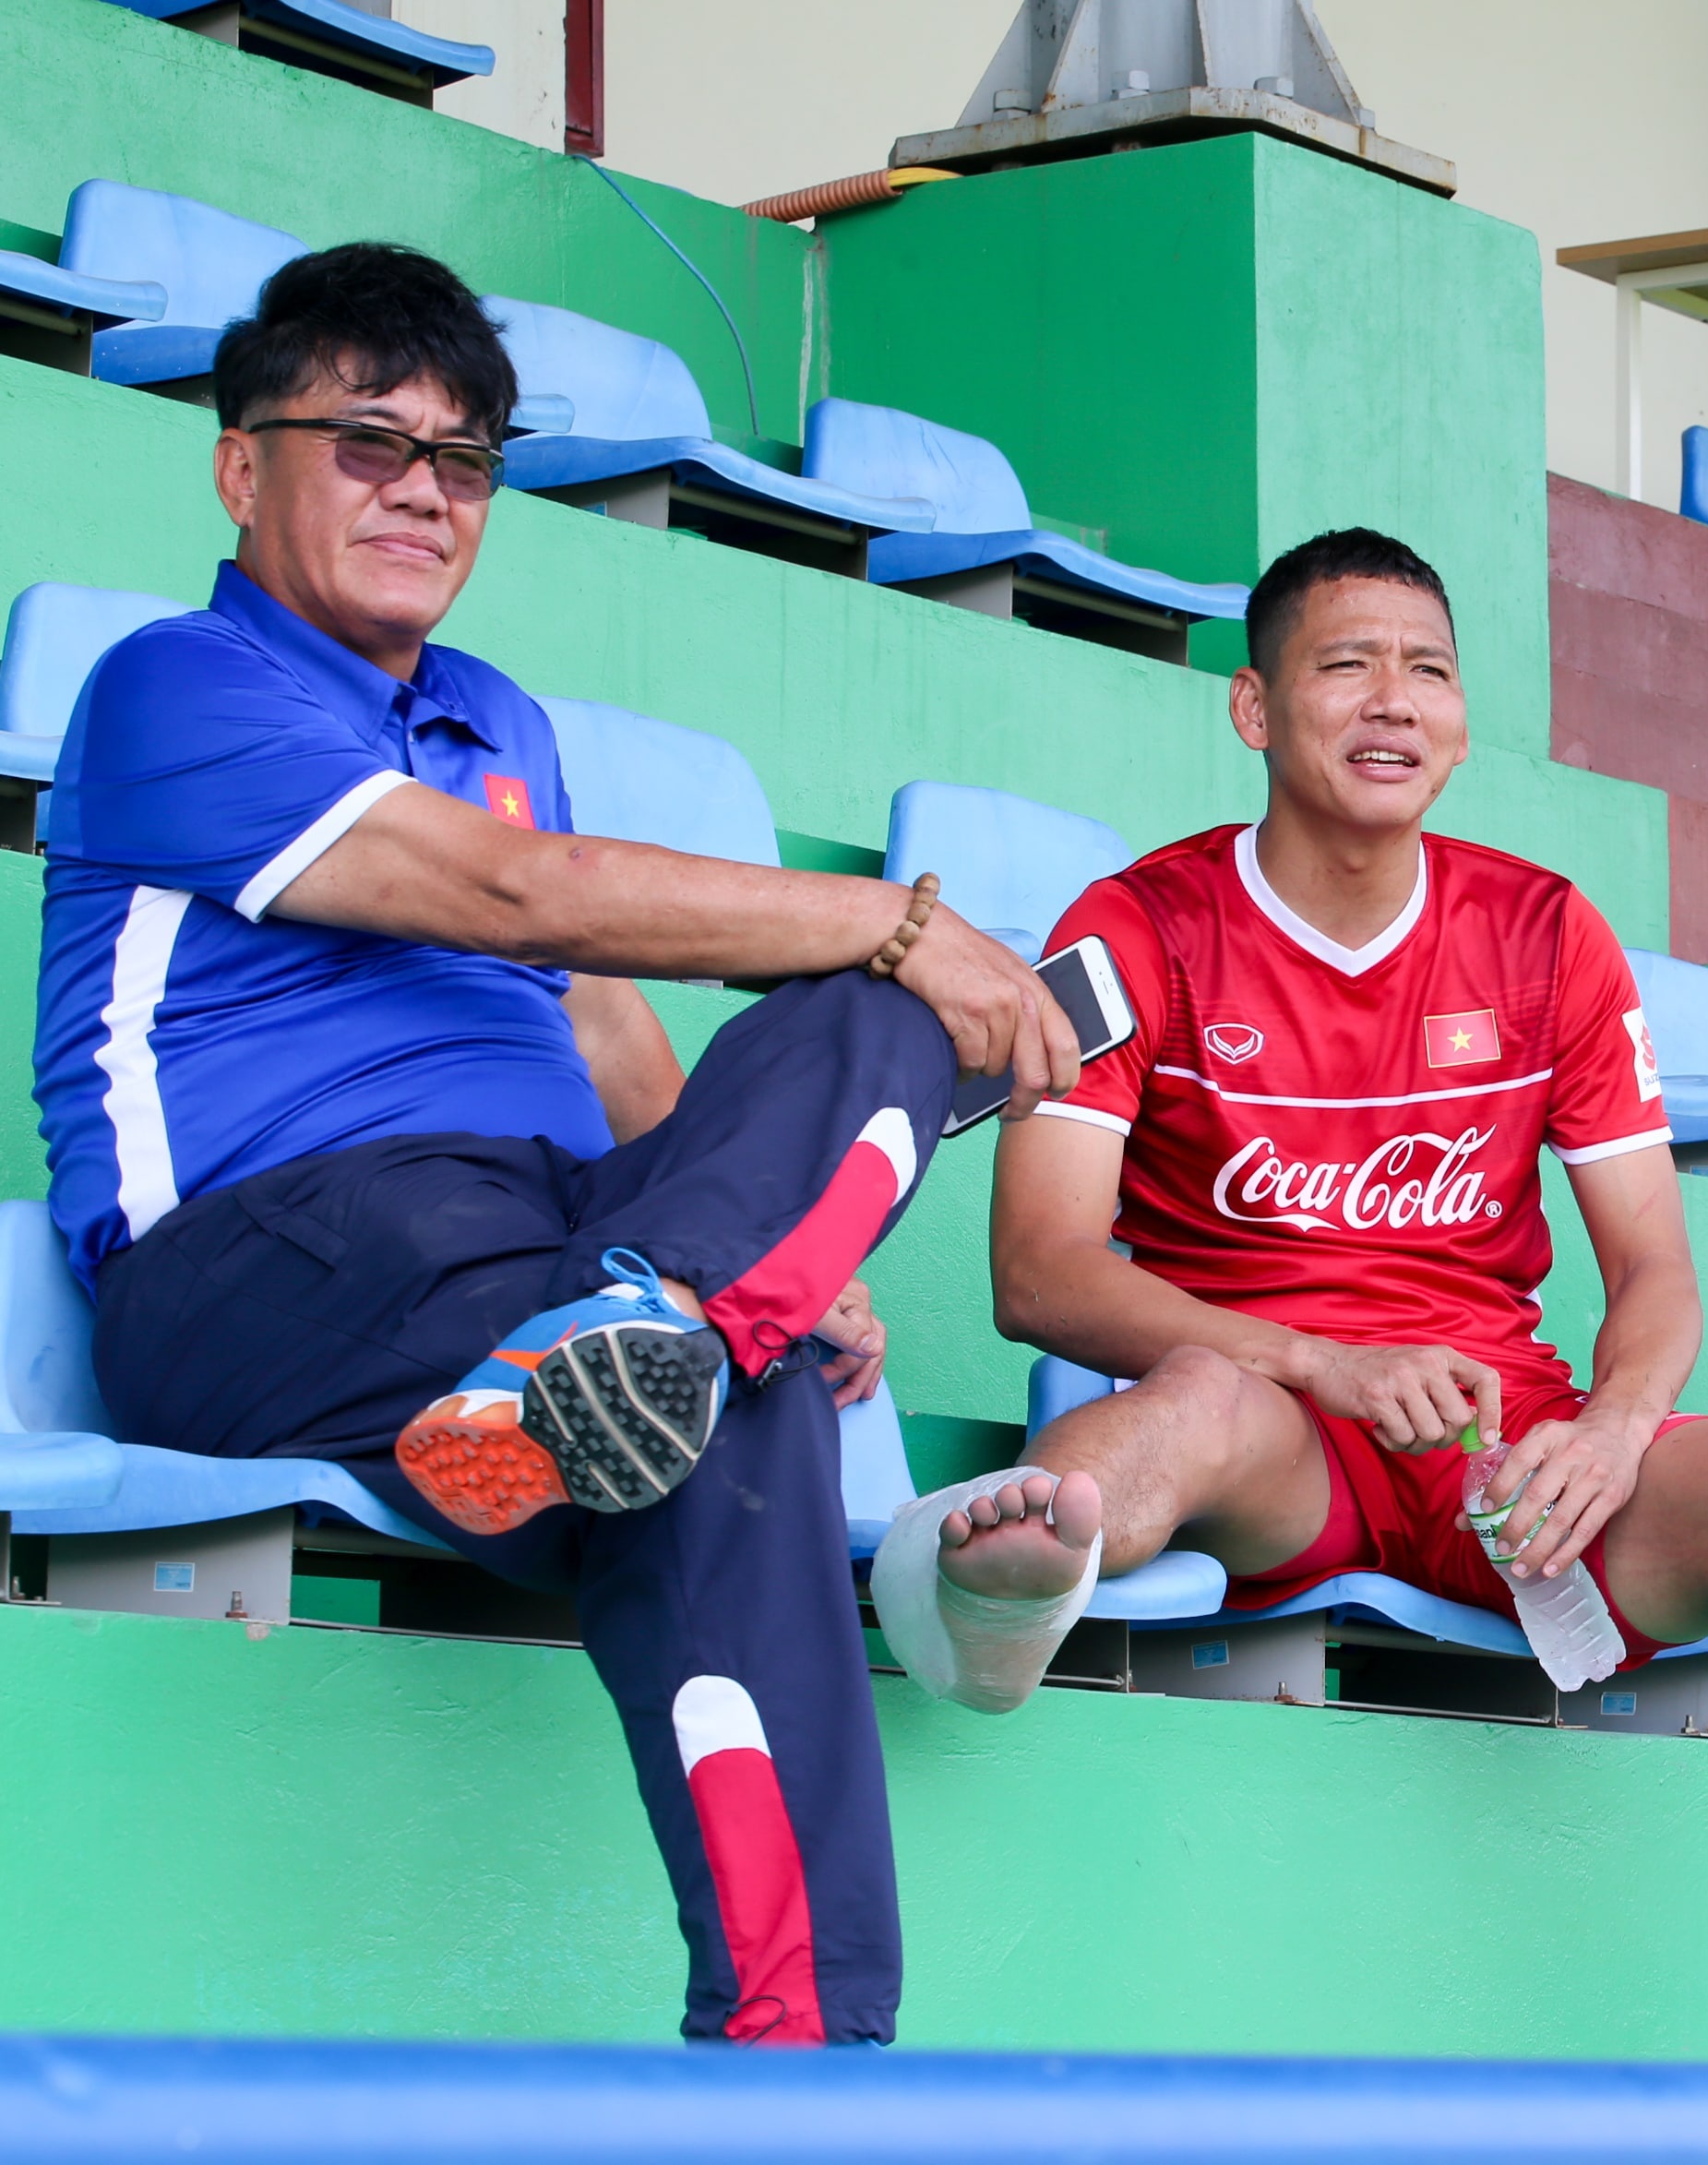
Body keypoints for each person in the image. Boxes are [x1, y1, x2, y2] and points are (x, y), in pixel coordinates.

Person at [32, 243, 1081, 2044]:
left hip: (535, 1282)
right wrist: (903, 922)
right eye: (368, 441)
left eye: (462, 459)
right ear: (239, 465)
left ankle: (796, 2055)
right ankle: (661, 1326)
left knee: (807, 1195)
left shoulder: (500, 717)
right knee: (888, 974)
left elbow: (608, 1030)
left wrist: (776, 1254)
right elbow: (518, 899)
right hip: (269, 1266)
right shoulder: (174, 685)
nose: (422, 491)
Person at [899, 527, 1708, 2065]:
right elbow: (1036, 1271)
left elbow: (1652, 1271)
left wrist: (1616, 1433)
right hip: (1273, 1421)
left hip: (1499, 1454)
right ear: (1253, 707)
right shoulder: (1136, 927)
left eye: (1428, 669)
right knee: (1188, 1410)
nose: (1394, 699)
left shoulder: (1544, 931)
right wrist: (1322, 1361)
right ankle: (997, 1570)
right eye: (1346, 663)